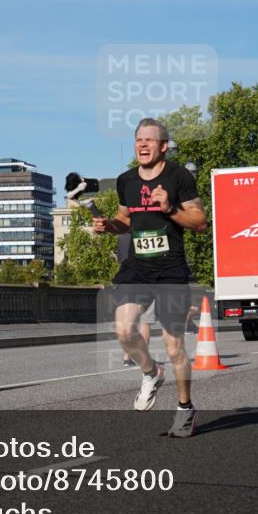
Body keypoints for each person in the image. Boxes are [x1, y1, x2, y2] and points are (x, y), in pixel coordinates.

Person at [93, 118, 207, 438]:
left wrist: (170, 208)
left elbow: (199, 221)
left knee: (175, 349)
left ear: (163, 146)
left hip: (170, 269)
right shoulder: (126, 180)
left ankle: (185, 408)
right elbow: (124, 221)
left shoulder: (178, 175)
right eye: (138, 140)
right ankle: (151, 372)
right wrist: (108, 226)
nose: (142, 145)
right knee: (123, 329)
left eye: (149, 140)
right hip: (137, 266)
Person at [115, 232, 152, 367]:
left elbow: (120, 258)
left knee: (128, 322)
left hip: (126, 280)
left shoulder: (122, 234)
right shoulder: (149, 232)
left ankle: (127, 357)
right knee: (145, 320)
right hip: (145, 279)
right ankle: (143, 358)